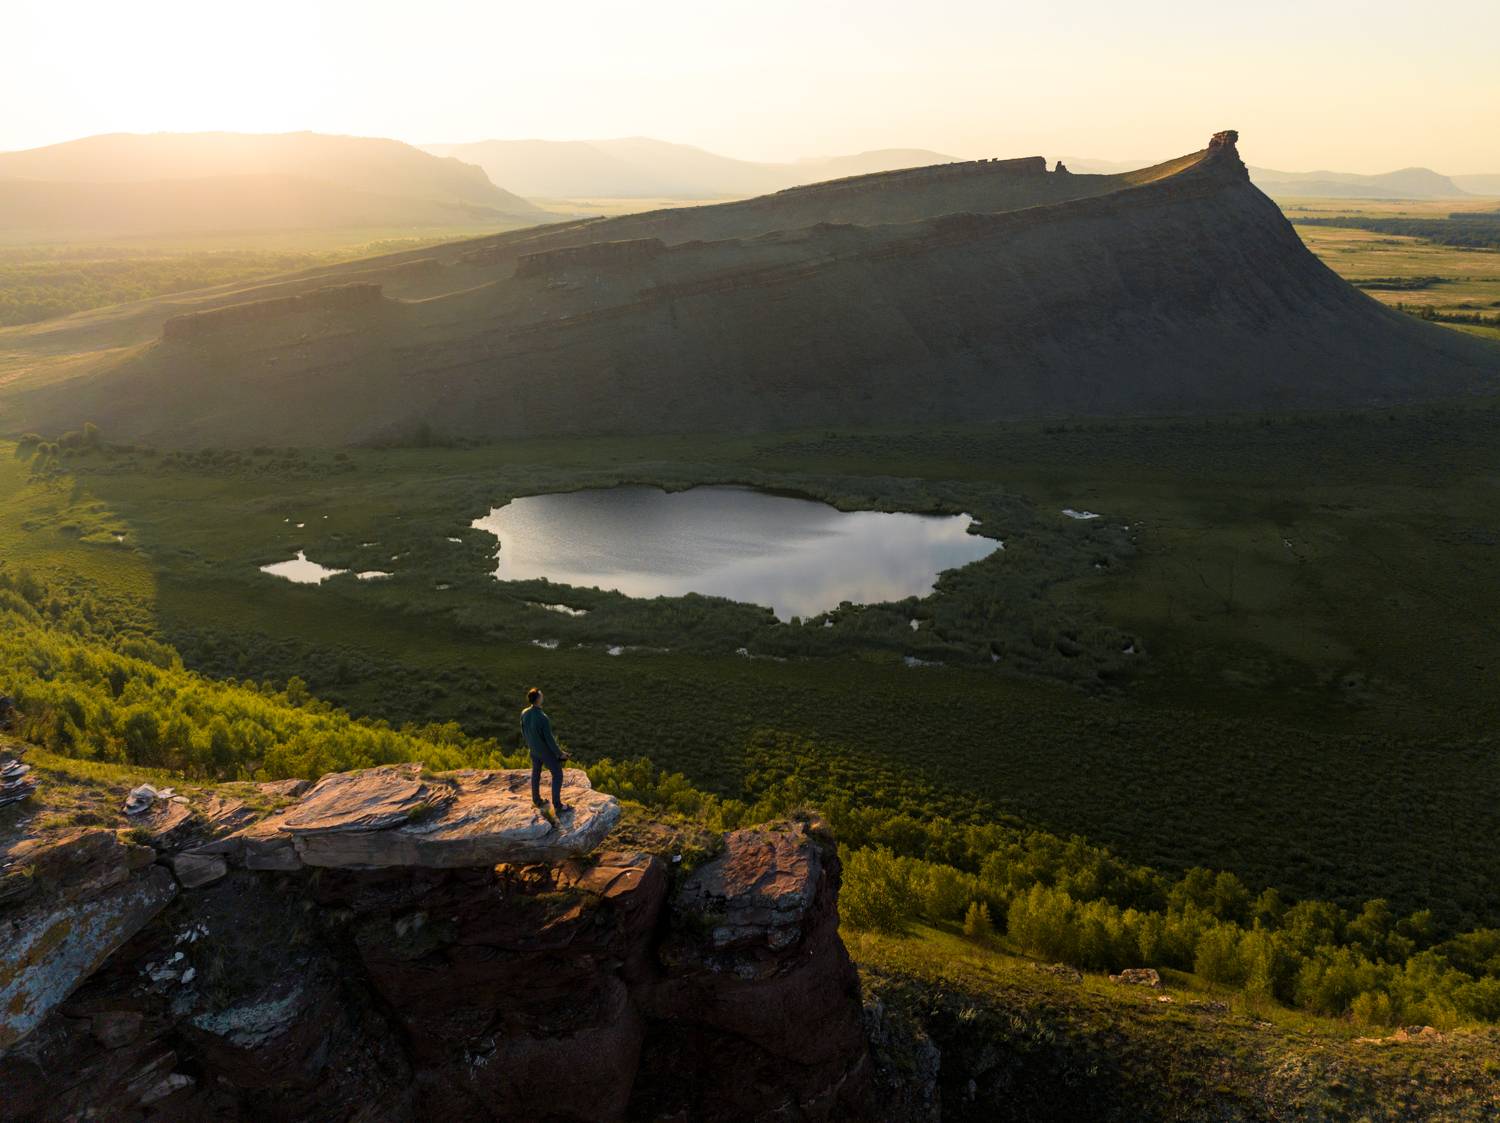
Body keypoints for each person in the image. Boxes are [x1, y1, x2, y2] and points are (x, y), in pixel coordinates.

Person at [520, 687, 571, 815]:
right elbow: (549, 740)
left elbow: (524, 732)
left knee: (536, 773)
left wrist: (531, 745)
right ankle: (558, 805)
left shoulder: (524, 713)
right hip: (545, 752)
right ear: (538, 699)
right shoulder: (543, 717)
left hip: (533, 750)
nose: (543, 696)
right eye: (541, 695)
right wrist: (560, 754)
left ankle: (536, 800)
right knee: (557, 774)